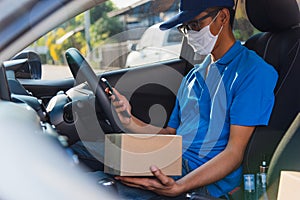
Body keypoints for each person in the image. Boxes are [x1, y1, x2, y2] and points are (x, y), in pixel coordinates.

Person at [72, 0, 278, 199]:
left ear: (222, 17)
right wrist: (129, 120)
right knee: (79, 150)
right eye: (185, 28)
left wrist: (179, 187)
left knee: (90, 188)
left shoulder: (253, 72)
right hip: (170, 156)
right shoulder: (193, 75)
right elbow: (171, 133)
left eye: (195, 25)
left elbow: (234, 152)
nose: (190, 35)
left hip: (198, 176)